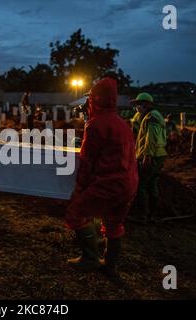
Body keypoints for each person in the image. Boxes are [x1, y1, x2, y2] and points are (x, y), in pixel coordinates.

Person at [66, 78, 138, 275]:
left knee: (76, 213)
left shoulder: (96, 125)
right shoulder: (123, 124)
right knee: (114, 223)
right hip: (129, 184)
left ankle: (90, 258)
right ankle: (110, 265)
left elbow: (87, 161)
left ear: (94, 101)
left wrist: (80, 190)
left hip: (109, 184)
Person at [131, 92, 167, 223]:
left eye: (139, 104)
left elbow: (150, 138)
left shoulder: (151, 117)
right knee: (152, 184)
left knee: (141, 185)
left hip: (152, 156)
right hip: (159, 155)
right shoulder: (150, 116)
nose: (137, 107)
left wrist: (147, 155)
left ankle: (143, 215)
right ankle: (152, 215)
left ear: (147, 104)